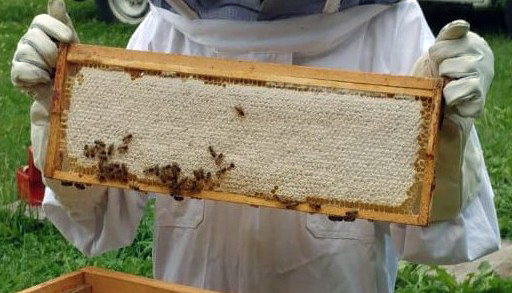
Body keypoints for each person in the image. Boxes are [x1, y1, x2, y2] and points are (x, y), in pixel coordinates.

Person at [11, 0, 500, 292]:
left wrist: (447, 143)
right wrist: (63, 119)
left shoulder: (391, 26)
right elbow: (99, 213)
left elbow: (439, 239)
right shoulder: (166, 29)